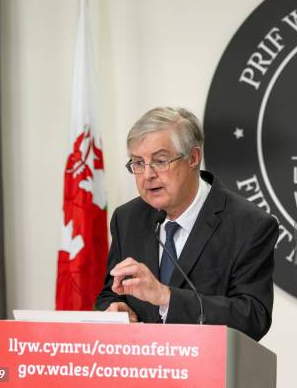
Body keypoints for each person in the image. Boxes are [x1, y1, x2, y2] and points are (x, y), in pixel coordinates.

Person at [95, 107, 278, 341]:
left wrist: (167, 298)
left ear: (193, 158)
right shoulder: (127, 218)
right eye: (138, 163)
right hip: (139, 371)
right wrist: (115, 310)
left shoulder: (249, 225)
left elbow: (253, 317)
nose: (147, 175)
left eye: (160, 161)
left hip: (208, 372)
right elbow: (110, 293)